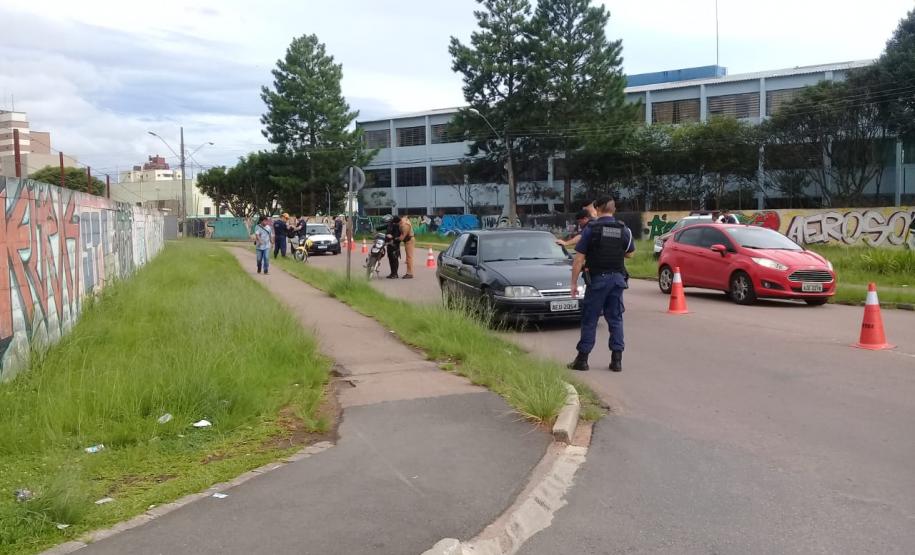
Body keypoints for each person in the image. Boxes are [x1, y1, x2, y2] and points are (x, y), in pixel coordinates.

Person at [568, 197, 635, 373]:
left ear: (597, 209)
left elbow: (578, 259)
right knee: (615, 319)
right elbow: (630, 254)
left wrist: (573, 283)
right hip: (617, 280)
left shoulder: (591, 229)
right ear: (614, 209)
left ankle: (582, 360)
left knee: (590, 319)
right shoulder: (623, 229)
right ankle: (617, 361)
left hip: (597, 280)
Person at [384, 214, 402, 279]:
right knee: (390, 259)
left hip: (394, 245)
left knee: (394, 259)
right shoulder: (389, 225)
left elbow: (398, 236)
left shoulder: (396, 226)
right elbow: (385, 231)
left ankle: (395, 274)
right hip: (389, 245)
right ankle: (392, 273)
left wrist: (393, 237)